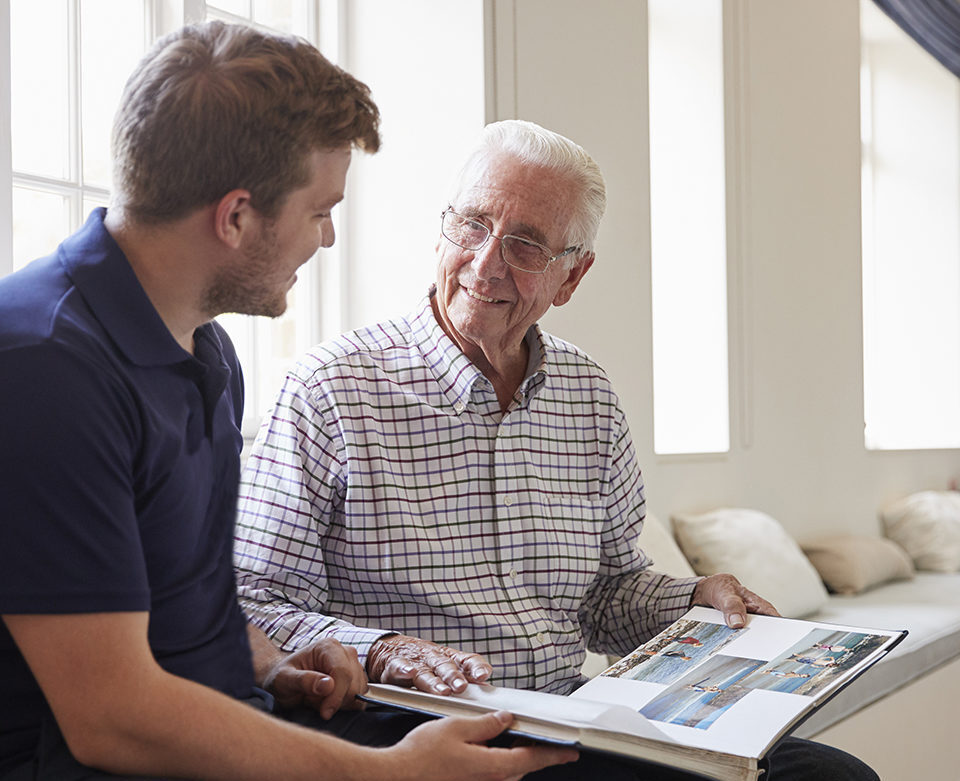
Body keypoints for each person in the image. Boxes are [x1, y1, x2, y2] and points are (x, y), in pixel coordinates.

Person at [0, 24, 576, 781]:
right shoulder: (42, 368)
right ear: (236, 216)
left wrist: (273, 663)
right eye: (319, 210)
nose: (329, 237)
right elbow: (112, 717)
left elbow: (182, 604)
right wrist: (395, 772)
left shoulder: (205, 350)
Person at [234, 120, 879, 780]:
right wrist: (381, 649)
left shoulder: (588, 396)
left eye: (526, 246)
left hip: (568, 714)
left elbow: (607, 596)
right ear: (441, 228)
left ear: (572, 276)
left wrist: (693, 601)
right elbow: (252, 601)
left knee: (830, 776)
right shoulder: (329, 388)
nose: (486, 263)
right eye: (473, 224)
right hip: (407, 724)